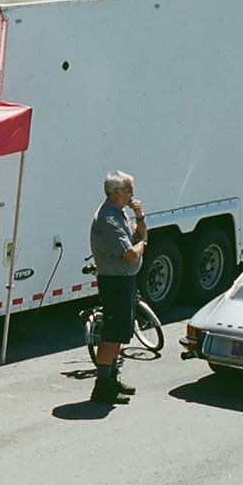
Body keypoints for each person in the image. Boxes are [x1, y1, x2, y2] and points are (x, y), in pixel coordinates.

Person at [89, 171, 148, 405]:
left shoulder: (120, 213)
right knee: (112, 334)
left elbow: (140, 232)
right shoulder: (108, 219)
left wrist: (139, 215)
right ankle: (102, 387)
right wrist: (143, 243)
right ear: (116, 193)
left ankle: (112, 380)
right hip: (114, 283)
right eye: (128, 190)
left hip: (124, 281)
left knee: (120, 333)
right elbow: (131, 254)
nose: (132, 194)